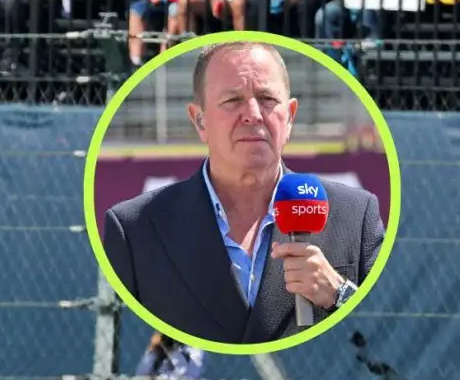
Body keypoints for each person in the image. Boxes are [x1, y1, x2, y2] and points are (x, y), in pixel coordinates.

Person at [100, 39, 385, 345]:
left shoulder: (356, 216)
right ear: (199, 121)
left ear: (290, 116)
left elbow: (386, 332)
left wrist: (340, 294)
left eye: (267, 98)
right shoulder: (135, 228)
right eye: (233, 100)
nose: (253, 114)